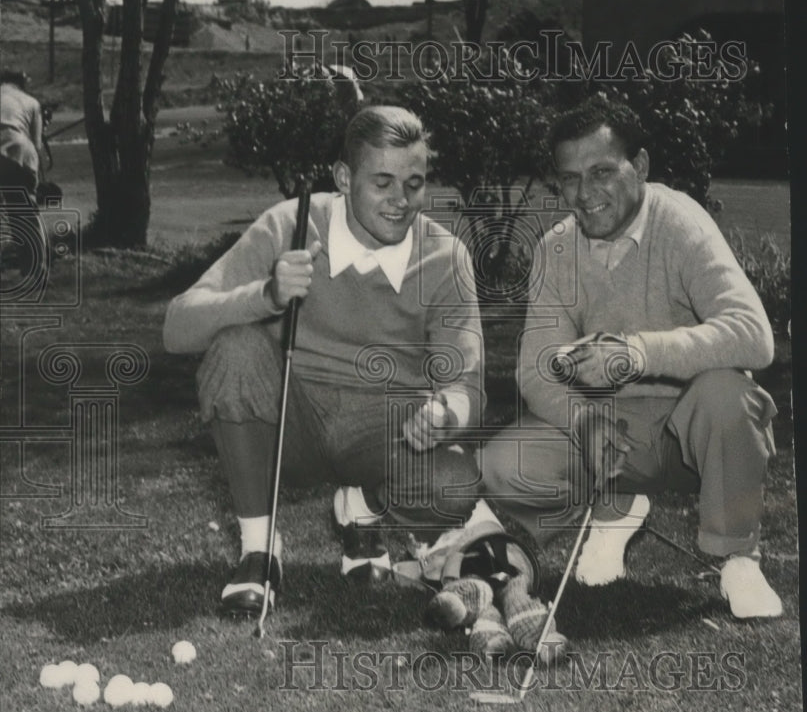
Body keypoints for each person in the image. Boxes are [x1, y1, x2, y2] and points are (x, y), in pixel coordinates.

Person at [164, 105, 496, 615]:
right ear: (343, 177)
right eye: (381, 181)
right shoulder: (291, 224)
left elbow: (468, 383)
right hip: (290, 422)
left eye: (414, 183)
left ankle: (361, 509)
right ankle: (260, 551)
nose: (400, 201)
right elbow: (177, 326)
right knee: (236, 349)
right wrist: (267, 296)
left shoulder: (444, 255)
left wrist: (448, 411)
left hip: (380, 427)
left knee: (452, 487)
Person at [480, 98, 782, 620]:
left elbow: (756, 337)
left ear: (638, 167)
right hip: (612, 431)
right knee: (503, 464)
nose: (585, 194)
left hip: (695, 436)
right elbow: (532, 369)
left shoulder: (681, 223)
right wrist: (582, 418)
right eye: (570, 178)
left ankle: (738, 557)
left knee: (726, 393)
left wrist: (637, 352)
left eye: (602, 172)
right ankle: (615, 511)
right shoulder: (556, 250)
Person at [0, 70, 47, 277]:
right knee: (25, 213)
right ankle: (36, 271)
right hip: (19, 151)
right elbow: (37, 144)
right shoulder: (31, 102)